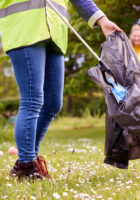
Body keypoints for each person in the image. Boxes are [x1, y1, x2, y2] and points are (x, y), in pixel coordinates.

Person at [0, 0, 122, 179]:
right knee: (32, 99)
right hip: (24, 27)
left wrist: (102, 20)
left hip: (55, 32)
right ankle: (26, 165)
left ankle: (26, 162)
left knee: (52, 103)